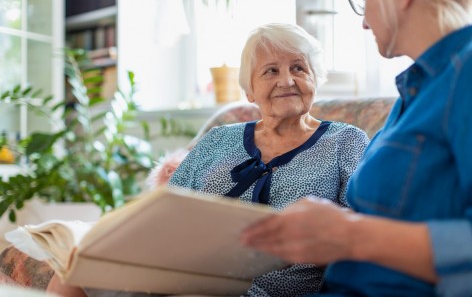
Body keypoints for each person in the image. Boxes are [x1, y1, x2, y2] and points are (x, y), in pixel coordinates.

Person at [46, 23, 369, 297]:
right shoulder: (219, 138)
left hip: (268, 288)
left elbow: (357, 230)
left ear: (316, 79)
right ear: (250, 91)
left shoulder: (345, 140)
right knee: (72, 272)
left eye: (298, 68)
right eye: (271, 71)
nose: (286, 80)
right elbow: (163, 210)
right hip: (183, 270)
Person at [241, 0, 472, 296]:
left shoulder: (465, 75)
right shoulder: (416, 91)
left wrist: (348, 234)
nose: (364, 22)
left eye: (363, 1)